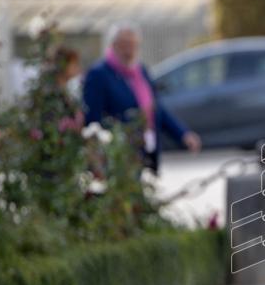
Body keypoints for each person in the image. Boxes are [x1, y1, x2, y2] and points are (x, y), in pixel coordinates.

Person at [81, 23, 201, 174]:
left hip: (148, 150)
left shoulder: (140, 71)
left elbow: (156, 109)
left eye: (133, 45)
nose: (129, 50)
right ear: (113, 45)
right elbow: (92, 120)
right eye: (124, 45)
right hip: (119, 155)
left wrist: (183, 134)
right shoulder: (99, 74)